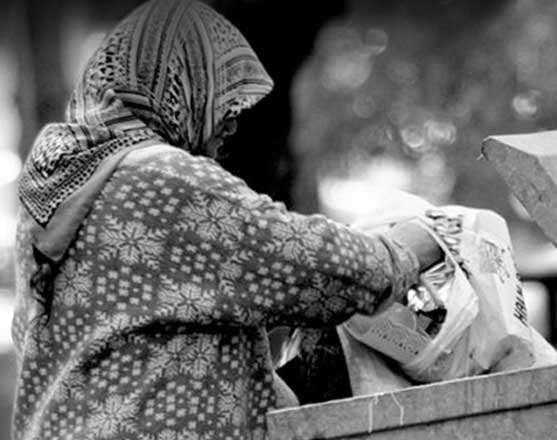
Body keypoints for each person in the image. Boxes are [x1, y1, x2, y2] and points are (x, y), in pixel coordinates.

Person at [11, 1, 441, 439]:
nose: (232, 122)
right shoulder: (164, 179)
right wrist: (422, 240)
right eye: (223, 96)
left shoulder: (61, 178)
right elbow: (322, 267)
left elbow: (147, 321)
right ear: (179, 84)